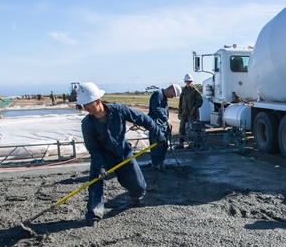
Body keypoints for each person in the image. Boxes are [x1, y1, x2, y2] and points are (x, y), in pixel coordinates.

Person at [77, 82, 164, 225]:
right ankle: (94, 214)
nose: (85, 108)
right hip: (102, 156)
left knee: (139, 187)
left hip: (122, 153)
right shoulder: (87, 124)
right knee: (95, 181)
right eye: (83, 105)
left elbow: (143, 119)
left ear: (98, 101)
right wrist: (100, 165)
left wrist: (158, 133)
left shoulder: (119, 110)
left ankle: (135, 198)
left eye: (87, 105)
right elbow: (93, 148)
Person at [148, 83, 181, 171]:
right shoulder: (157, 94)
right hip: (156, 125)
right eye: (173, 95)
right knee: (156, 145)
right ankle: (156, 164)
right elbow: (157, 108)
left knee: (164, 145)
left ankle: (161, 163)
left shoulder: (163, 97)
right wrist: (166, 119)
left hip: (162, 125)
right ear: (171, 90)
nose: (173, 97)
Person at [176, 73, 204, 148]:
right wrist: (179, 112)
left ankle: (193, 144)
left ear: (191, 82)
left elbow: (200, 101)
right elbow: (181, 102)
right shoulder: (183, 90)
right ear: (185, 82)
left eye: (189, 81)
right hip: (184, 113)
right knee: (182, 128)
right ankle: (181, 143)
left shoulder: (194, 90)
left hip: (192, 114)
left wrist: (194, 108)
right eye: (187, 81)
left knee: (192, 128)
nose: (188, 83)